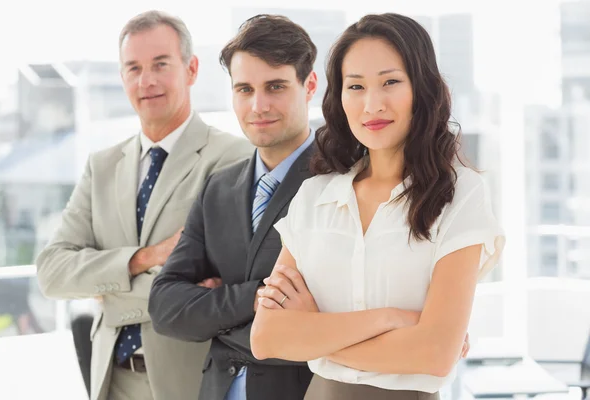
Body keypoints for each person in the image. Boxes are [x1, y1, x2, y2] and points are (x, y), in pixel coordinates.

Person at [250, 13, 506, 400]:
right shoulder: (314, 197)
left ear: (421, 89)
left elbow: (435, 355)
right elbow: (267, 338)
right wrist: (390, 321)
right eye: (355, 86)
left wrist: (313, 332)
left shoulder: (461, 194)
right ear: (339, 97)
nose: (372, 104)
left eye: (390, 82)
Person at [35, 10, 253, 400]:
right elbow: (52, 272)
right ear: (122, 78)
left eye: (160, 64)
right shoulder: (101, 166)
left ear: (191, 69)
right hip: (111, 380)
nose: (146, 80)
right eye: (133, 68)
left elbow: (219, 291)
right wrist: (142, 259)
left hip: (189, 380)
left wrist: (108, 293)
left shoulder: (231, 157)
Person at [148, 14, 318, 400]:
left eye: (275, 86)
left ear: (309, 85)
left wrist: (214, 309)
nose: (258, 105)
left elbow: (330, 315)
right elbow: (165, 308)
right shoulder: (219, 188)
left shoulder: (342, 183)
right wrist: (258, 297)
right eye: (244, 89)